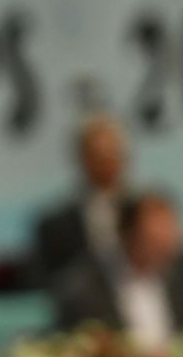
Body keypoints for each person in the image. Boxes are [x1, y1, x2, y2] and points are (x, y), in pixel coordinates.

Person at [52, 188, 183, 351]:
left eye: (170, 234)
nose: (166, 245)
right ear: (127, 234)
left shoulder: (178, 282)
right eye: (155, 237)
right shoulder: (83, 289)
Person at [31, 113, 129, 290]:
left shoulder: (147, 218)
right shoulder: (55, 226)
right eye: (97, 155)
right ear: (81, 159)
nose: (106, 162)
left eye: (112, 153)